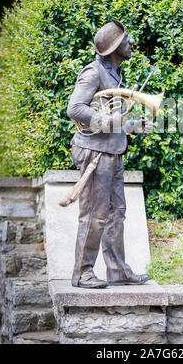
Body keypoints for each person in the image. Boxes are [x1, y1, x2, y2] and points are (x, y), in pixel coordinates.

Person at [67, 19, 153, 288]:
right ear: (115, 47)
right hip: (94, 153)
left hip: (111, 152)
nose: (131, 44)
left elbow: (112, 117)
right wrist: (112, 122)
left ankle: (117, 271)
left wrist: (132, 126)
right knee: (94, 214)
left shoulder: (115, 73)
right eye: (126, 40)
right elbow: (76, 110)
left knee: (117, 212)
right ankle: (82, 273)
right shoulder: (93, 73)